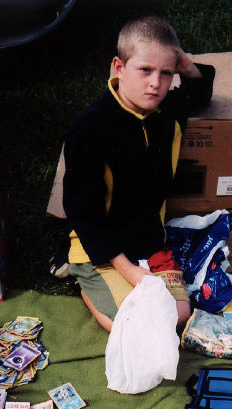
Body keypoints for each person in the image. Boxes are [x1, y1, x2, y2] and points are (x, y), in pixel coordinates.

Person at [61, 16, 215, 332]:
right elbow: (83, 213)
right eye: (145, 70)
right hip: (98, 247)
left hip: (148, 241)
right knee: (132, 324)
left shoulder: (166, 111)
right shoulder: (90, 129)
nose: (155, 83)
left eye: (165, 73)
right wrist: (130, 272)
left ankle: (124, 281)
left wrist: (181, 60)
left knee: (178, 316)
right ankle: (81, 277)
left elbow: (199, 91)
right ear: (119, 67)